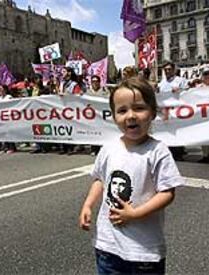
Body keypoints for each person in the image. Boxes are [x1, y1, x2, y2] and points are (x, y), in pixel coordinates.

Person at [79, 77, 184, 274]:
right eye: (122, 110)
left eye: (139, 108)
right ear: (113, 116)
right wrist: (88, 205)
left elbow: (168, 192)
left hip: (143, 251)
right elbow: (100, 179)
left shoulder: (157, 151)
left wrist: (135, 214)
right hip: (107, 247)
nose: (131, 116)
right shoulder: (109, 148)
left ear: (152, 112)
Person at [158, 61, 188, 161]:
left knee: (178, 131)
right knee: (168, 131)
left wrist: (180, 89)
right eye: (165, 70)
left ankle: (179, 153)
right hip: (166, 111)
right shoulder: (161, 83)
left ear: (174, 70)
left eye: (169, 69)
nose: (167, 71)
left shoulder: (180, 80)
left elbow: (188, 91)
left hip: (177, 110)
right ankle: (169, 153)